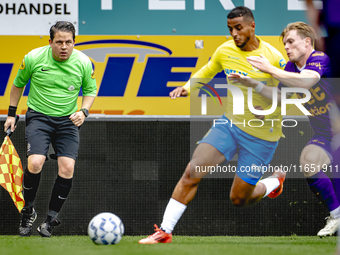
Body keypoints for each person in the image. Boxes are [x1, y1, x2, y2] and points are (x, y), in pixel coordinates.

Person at [139, 6, 287, 244]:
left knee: (239, 199)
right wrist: (187, 88)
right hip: (230, 126)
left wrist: (268, 110)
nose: (234, 34)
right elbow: (206, 71)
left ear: (252, 26)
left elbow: (287, 95)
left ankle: (272, 182)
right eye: (230, 29)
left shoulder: (272, 57)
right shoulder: (225, 50)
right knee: (192, 170)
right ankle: (164, 232)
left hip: (262, 136)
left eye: (238, 28)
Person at [229, 21, 340, 237]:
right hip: (326, 136)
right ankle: (336, 216)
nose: (286, 47)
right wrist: (253, 85)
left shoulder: (320, 59)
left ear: (307, 42)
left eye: (291, 41)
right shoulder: (290, 69)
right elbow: (279, 97)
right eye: (284, 43)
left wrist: (269, 69)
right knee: (308, 161)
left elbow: (305, 83)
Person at [3, 21, 97, 237]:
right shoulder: (34, 58)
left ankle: (50, 219)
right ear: (50, 42)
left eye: (69, 42)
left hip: (67, 121)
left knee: (67, 168)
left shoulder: (83, 62)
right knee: (35, 163)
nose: (64, 47)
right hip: (39, 118)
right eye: (59, 42)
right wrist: (11, 114)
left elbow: (90, 91)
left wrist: (83, 111)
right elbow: (18, 85)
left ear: (74, 42)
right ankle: (28, 211)